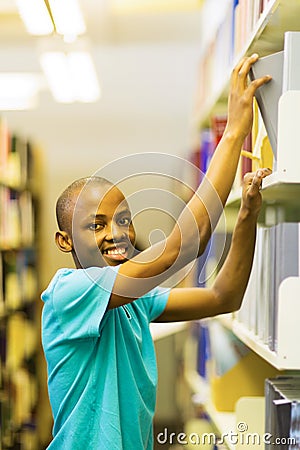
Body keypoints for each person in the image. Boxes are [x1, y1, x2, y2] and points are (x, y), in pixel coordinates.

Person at [41, 54, 272, 450]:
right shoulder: (68, 292)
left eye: (124, 219)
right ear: (65, 242)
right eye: (95, 225)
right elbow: (186, 243)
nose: (116, 234)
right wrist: (234, 132)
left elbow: (223, 296)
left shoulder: (135, 302)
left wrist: (248, 214)